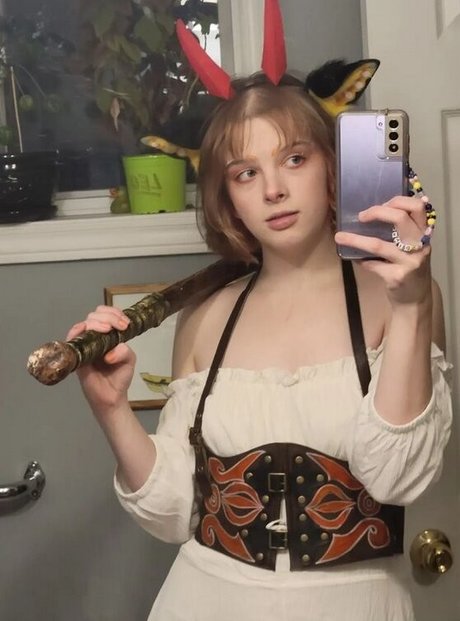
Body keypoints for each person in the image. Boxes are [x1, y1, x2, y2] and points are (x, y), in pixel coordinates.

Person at [66, 7, 452, 621]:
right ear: (228, 197)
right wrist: (110, 409)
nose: (273, 189)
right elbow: (173, 514)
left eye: (295, 159)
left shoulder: (397, 299)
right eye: (246, 173)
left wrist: (411, 305)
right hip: (204, 599)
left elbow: (398, 480)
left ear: (333, 164)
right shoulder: (204, 318)